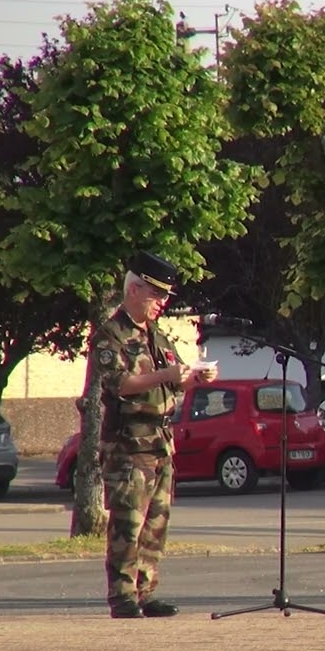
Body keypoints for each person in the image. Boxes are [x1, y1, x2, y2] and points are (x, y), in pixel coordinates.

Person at [91, 251, 218, 618]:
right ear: (133, 289)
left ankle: (146, 591)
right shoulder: (110, 335)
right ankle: (122, 596)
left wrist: (195, 378)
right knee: (128, 523)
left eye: (164, 297)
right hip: (128, 445)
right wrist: (167, 376)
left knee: (155, 525)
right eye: (155, 294)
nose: (161, 303)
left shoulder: (157, 336)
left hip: (161, 443)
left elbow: (172, 384)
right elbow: (121, 384)